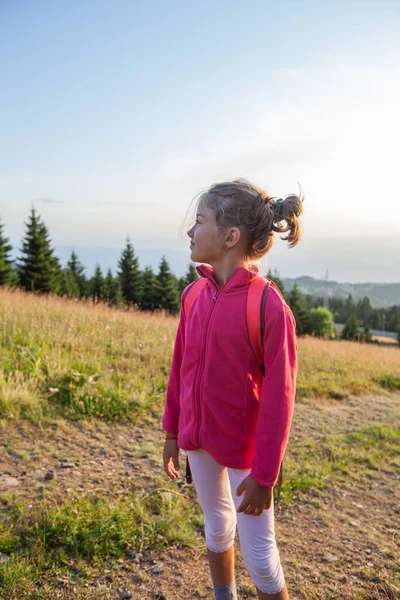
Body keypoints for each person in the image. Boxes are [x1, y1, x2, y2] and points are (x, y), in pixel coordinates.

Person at [162, 179, 303, 599]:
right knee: (217, 527)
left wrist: (265, 474)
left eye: (199, 221)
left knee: (260, 555)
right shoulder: (191, 296)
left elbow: (280, 398)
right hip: (199, 441)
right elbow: (180, 369)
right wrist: (172, 433)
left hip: (249, 454)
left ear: (230, 237)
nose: (190, 231)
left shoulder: (268, 306)